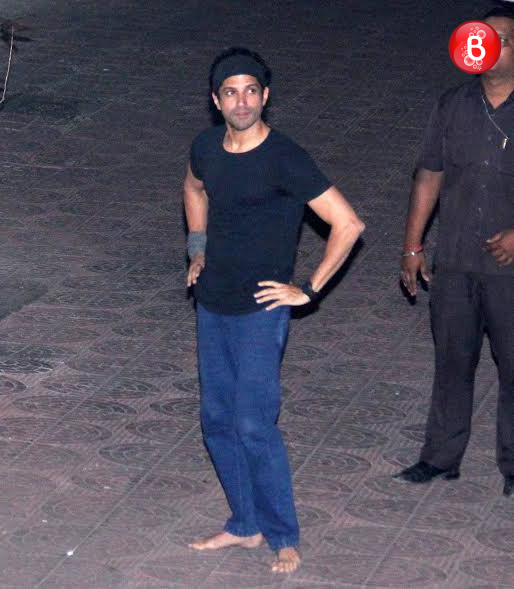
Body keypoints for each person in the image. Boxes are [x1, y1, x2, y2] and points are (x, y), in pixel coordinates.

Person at [183, 47, 364, 573]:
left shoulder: (285, 158)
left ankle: (283, 534)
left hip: (261, 310)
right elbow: (193, 187)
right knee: (217, 420)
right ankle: (245, 524)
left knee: (253, 423)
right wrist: (197, 248)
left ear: (265, 97)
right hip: (212, 302)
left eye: (251, 91)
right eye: (231, 92)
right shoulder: (205, 147)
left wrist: (308, 289)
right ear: (216, 100)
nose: (241, 101)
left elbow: (348, 224)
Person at [395, 7, 514, 495]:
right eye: (485, 37)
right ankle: (440, 456)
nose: (491, 47)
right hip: (457, 260)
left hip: (510, 268)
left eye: (504, 40)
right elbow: (429, 175)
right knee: (451, 361)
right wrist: (412, 247)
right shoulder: (453, 105)